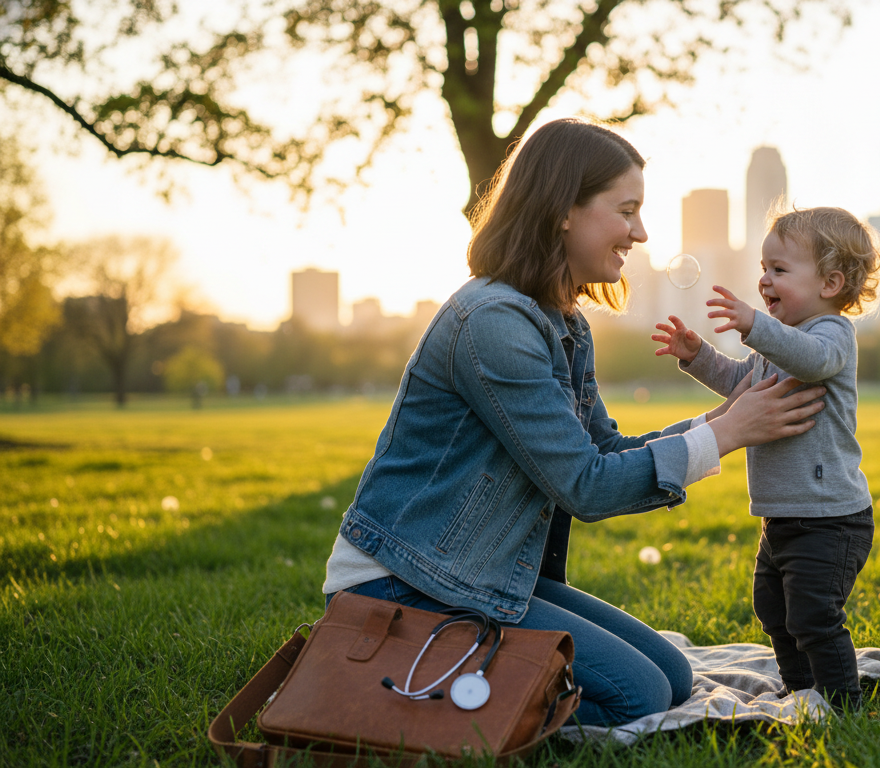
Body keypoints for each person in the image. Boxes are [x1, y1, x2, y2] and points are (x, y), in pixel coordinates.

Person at [320, 118, 827, 727]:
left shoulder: (561, 321)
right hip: (404, 583)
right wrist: (728, 433)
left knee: (672, 676)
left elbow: (604, 450)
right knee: (637, 696)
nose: (641, 232)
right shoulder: (493, 323)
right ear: (564, 210)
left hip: (474, 571)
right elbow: (586, 486)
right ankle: (411, 694)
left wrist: (727, 416)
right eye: (627, 211)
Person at [652, 205, 880, 709]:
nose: (764, 279)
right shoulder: (775, 346)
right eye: (764, 268)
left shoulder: (831, 334)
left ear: (830, 283)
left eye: (779, 269)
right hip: (781, 515)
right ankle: (799, 687)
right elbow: (741, 383)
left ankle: (841, 701)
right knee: (774, 611)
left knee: (813, 615)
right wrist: (698, 356)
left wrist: (756, 324)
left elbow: (812, 360)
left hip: (829, 518)